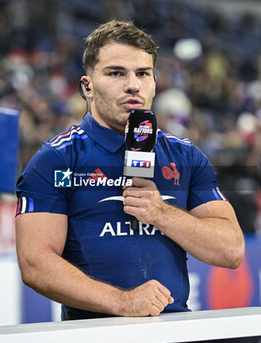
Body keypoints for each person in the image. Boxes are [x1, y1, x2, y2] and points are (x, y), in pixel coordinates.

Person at [15, 20, 245, 320]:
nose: (133, 85)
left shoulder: (185, 154)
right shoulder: (54, 159)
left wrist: (161, 213)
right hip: (93, 338)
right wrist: (122, 302)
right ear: (87, 87)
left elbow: (231, 250)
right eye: (116, 73)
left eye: (143, 74)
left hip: (175, 334)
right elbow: (35, 264)